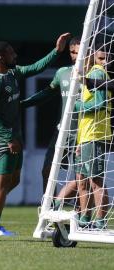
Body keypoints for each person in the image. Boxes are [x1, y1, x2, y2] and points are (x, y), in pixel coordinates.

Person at [0, 33, 70, 236]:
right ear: (0, 57)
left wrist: (56, 51)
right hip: (2, 139)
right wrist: (8, 138)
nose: (15, 55)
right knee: (1, 182)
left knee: (14, 180)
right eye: (10, 52)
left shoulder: (12, 73)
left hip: (15, 137)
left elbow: (35, 68)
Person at [21, 36, 81, 196]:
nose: (74, 56)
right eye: (72, 52)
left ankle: (81, 214)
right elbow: (47, 93)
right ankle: (50, 210)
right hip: (61, 132)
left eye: (78, 52)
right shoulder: (62, 72)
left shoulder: (95, 75)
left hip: (84, 134)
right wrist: (23, 104)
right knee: (47, 170)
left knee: (82, 178)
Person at [75, 45, 110, 229]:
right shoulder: (90, 75)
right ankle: (84, 219)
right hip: (85, 135)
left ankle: (100, 221)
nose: (104, 63)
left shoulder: (97, 74)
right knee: (82, 181)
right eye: (101, 58)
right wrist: (80, 141)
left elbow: (101, 104)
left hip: (95, 134)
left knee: (96, 181)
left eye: (106, 58)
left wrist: (77, 107)